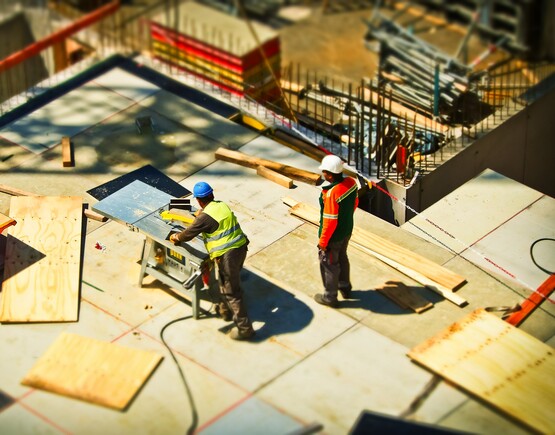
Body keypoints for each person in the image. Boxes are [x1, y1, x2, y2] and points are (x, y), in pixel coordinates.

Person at [169, 182, 255, 341]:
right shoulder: (220, 205)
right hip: (241, 247)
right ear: (212, 195)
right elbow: (212, 217)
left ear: (199, 200)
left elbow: (188, 234)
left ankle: (245, 328)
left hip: (227, 255)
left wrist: (176, 237)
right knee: (227, 281)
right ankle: (226, 310)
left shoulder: (204, 218)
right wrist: (201, 214)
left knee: (231, 291)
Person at [314, 155, 359, 308]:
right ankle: (345, 288)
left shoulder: (332, 193)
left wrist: (323, 242)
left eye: (324, 172)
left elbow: (330, 221)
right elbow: (355, 202)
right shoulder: (351, 183)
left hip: (333, 237)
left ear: (330, 174)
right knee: (343, 257)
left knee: (329, 265)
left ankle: (330, 297)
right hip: (346, 230)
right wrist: (345, 220)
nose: (323, 174)